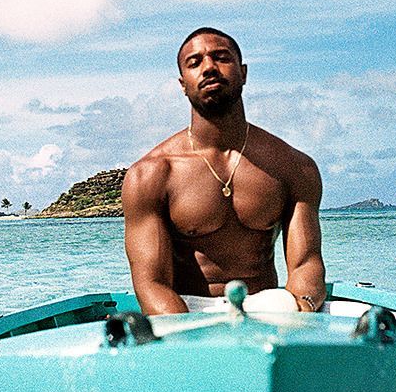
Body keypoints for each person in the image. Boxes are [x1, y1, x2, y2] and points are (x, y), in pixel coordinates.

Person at [122, 27, 326, 315]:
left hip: (267, 308)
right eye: (195, 63)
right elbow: (151, 283)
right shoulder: (151, 175)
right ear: (183, 84)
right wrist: (186, 337)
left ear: (243, 73)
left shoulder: (293, 167)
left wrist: (301, 312)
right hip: (187, 310)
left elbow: (306, 264)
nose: (209, 68)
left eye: (221, 58)